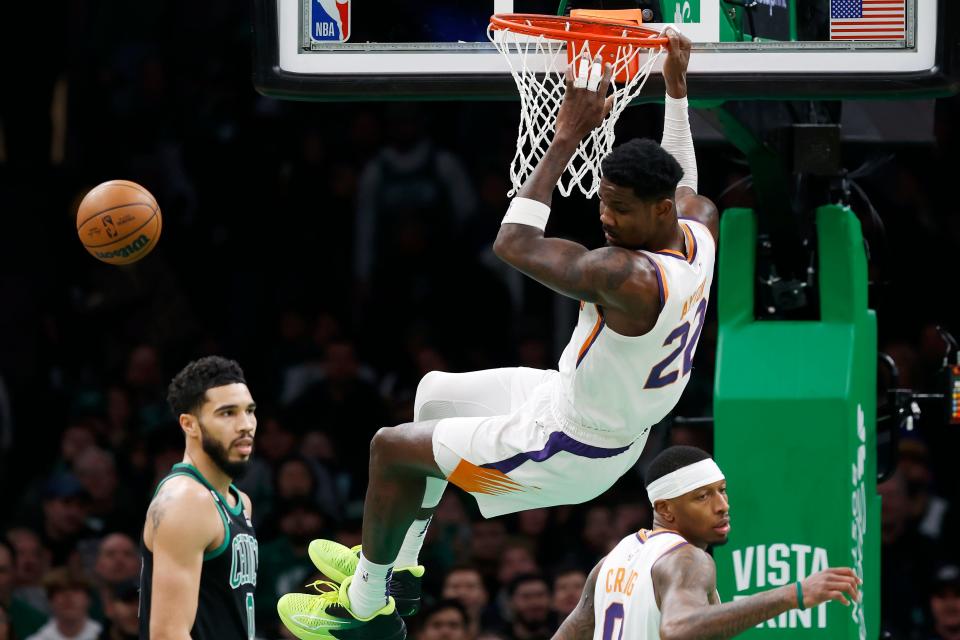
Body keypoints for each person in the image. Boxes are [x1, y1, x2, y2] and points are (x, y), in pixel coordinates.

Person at [278, 30, 718, 640]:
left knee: (390, 447)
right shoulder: (699, 231)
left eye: (618, 207)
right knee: (432, 396)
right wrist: (676, 89)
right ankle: (399, 568)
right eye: (604, 204)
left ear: (658, 210)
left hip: (571, 446)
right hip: (571, 401)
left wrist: (567, 132)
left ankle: (365, 606)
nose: (605, 218)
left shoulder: (628, 275)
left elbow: (512, 244)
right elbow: (688, 178)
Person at [549, 446, 861, 639]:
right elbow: (679, 629)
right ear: (665, 509)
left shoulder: (611, 560)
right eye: (702, 496)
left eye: (722, 490)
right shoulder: (687, 558)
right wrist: (795, 594)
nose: (722, 504)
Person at [138, 356, 259, 639]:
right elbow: (169, 634)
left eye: (249, 411)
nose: (246, 425)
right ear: (189, 424)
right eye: (227, 413)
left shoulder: (238, 500)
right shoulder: (186, 501)